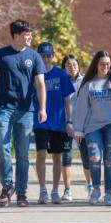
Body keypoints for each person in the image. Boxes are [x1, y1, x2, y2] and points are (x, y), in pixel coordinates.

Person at [0, 19, 47, 208]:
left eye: (31, 34)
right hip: (4, 108)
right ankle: (7, 187)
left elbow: (40, 84)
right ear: (16, 36)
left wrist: (42, 108)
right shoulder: (0, 55)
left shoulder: (34, 57)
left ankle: (21, 193)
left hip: (26, 111)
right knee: (3, 148)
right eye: (27, 34)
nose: (30, 38)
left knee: (22, 154)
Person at [74, 50, 111, 206]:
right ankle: (95, 189)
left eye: (108, 64)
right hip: (92, 127)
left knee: (109, 161)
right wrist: (78, 130)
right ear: (96, 65)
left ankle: (109, 193)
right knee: (94, 157)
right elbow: (81, 108)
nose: (105, 67)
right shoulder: (88, 84)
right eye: (102, 64)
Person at [32, 43, 75, 205]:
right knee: (41, 153)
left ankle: (55, 190)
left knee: (58, 156)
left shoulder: (61, 74)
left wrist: (69, 121)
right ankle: (43, 190)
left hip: (59, 123)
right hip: (41, 122)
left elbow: (67, 100)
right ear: (38, 56)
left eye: (49, 55)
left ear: (53, 56)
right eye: (42, 56)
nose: (46, 59)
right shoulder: (34, 75)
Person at [60, 54, 93, 201]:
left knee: (86, 158)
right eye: (68, 65)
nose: (71, 67)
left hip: (83, 125)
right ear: (63, 68)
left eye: (74, 64)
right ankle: (67, 190)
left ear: (78, 66)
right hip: (66, 125)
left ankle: (90, 186)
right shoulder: (61, 81)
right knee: (66, 158)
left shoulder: (86, 80)